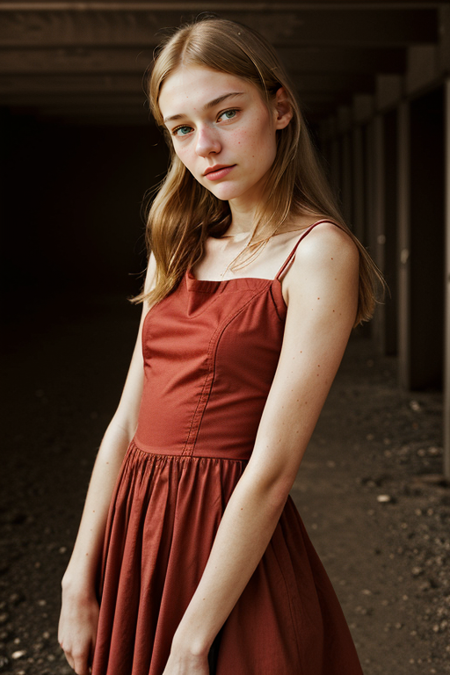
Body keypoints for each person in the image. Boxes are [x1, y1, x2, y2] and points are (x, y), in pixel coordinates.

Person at [58, 16, 381, 675]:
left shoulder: (319, 253)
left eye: (226, 112)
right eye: (181, 128)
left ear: (279, 107)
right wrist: (78, 575)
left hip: (229, 546)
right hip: (138, 534)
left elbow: (273, 465)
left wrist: (191, 638)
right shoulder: (176, 242)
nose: (205, 145)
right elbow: (126, 422)